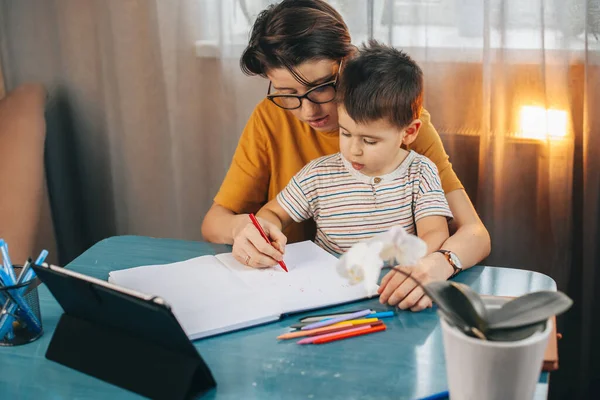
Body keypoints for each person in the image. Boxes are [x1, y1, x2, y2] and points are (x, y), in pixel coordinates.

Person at [201, 0, 490, 311]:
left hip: (388, 293)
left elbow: (475, 233)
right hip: (304, 292)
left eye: (320, 87)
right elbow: (214, 222)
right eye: (288, 93)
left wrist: (439, 263)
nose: (308, 110)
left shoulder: (397, 125)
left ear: (347, 62)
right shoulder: (270, 118)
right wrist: (242, 230)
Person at [255, 41, 452, 267]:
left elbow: (435, 234)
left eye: (369, 140)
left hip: (394, 283)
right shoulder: (319, 175)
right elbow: (273, 213)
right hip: (330, 282)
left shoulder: (420, 172)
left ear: (408, 132)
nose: (353, 150)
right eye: (345, 133)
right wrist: (267, 229)